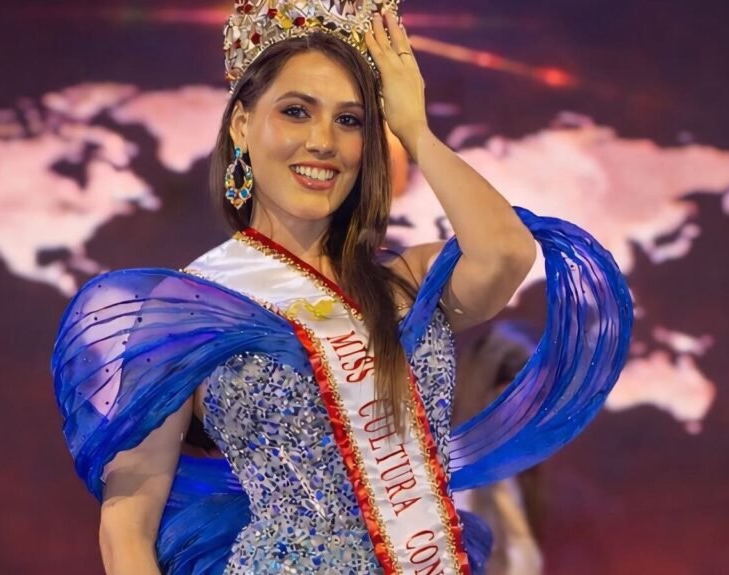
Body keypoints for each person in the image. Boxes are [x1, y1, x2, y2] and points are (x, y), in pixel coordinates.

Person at [50, 1, 634, 574]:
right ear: (241, 124)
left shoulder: (408, 280)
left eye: (349, 120)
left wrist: (415, 130)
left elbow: (507, 252)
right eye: (296, 112)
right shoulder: (191, 309)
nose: (323, 142)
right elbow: (127, 530)